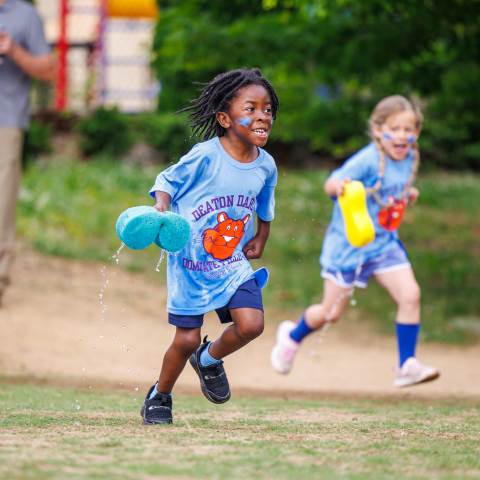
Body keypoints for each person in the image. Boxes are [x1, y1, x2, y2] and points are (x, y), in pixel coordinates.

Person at [271, 95, 440, 388]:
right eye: (395, 129)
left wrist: (407, 195)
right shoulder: (368, 159)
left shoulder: (410, 157)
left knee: (410, 295)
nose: (402, 136)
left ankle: (407, 365)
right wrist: (342, 186)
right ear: (378, 130)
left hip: (384, 245)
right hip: (348, 248)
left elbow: (390, 192)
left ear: (416, 133)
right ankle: (291, 336)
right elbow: (331, 183)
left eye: (409, 130)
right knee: (330, 314)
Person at [141, 68, 279, 424]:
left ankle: (209, 359)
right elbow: (166, 180)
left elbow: (265, 202)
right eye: (251, 108)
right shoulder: (205, 156)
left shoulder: (266, 166)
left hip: (232, 262)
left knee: (251, 325)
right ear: (224, 117)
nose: (262, 115)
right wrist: (161, 207)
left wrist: (262, 235)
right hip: (190, 263)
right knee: (185, 339)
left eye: (268, 109)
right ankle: (161, 395)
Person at [0, 0, 56, 306]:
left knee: (1, 205)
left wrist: (12, 50)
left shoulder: (25, 15)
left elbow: (48, 70)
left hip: (5, 122)